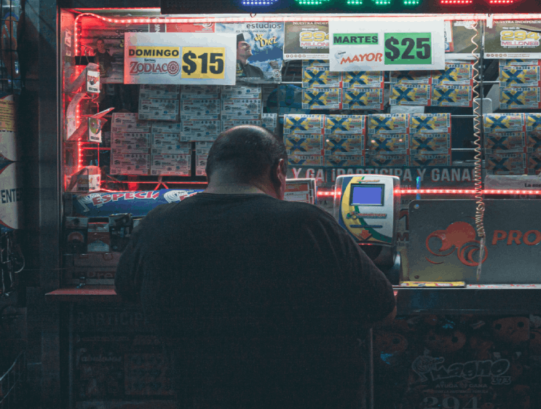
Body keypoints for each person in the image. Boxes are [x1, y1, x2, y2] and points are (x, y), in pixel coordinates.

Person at [115, 126, 396, 409]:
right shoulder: (308, 224)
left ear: (207, 173)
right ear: (279, 170)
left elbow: (127, 292)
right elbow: (383, 308)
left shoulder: (158, 223)